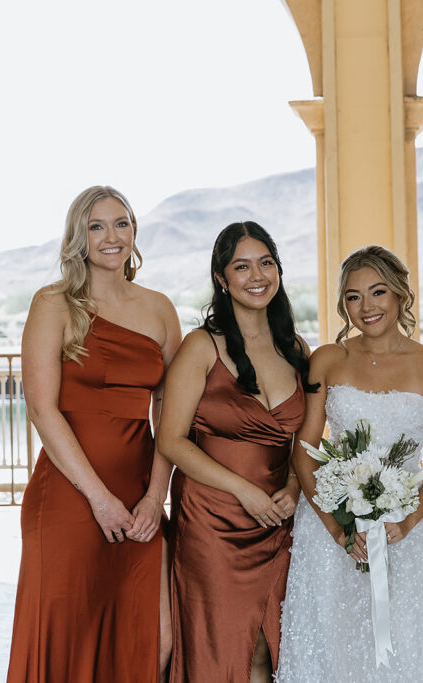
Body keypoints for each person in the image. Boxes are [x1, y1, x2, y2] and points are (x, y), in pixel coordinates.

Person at [276, 245, 423, 682]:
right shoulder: (327, 360)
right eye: (353, 297)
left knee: (413, 647)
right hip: (332, 529)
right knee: (335, 647)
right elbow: (305, 448)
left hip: (411, 528)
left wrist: (407, 521)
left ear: (400, 295)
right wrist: (337, 529)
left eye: (378, 292)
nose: (366, 307)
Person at [7, 186, 180, 683]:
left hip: (139, 492)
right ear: (78, 237)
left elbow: (170, 412)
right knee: (68, 639)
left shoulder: (159, 309)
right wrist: (99, 499)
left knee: (156, 640)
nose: (111, 236)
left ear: (134, 232)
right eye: (96, 226)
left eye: (121, 223)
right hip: (70, 494)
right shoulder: (54, 303)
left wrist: (155, 497)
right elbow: (42, 409)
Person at [158, 222, 313, 682]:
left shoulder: (296, 348)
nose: (256, 276)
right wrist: (243, 490)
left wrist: (293, 486)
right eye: (241, 266)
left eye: (266, 263)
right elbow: (171, 439)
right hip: (212, 519)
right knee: (221, 644)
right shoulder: (201, 346)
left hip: (277, 519)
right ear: (221, 278)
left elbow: (302, 440)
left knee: (269, 644)